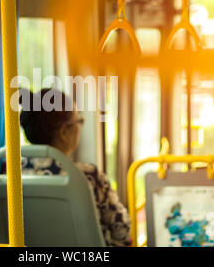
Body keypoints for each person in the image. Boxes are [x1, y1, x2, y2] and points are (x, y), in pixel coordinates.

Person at [16, 87, 132, 247]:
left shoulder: (10, 174)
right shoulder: (88, 176)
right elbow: (122, 232)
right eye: (80, 121)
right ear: (64, 132)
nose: (81, 126)